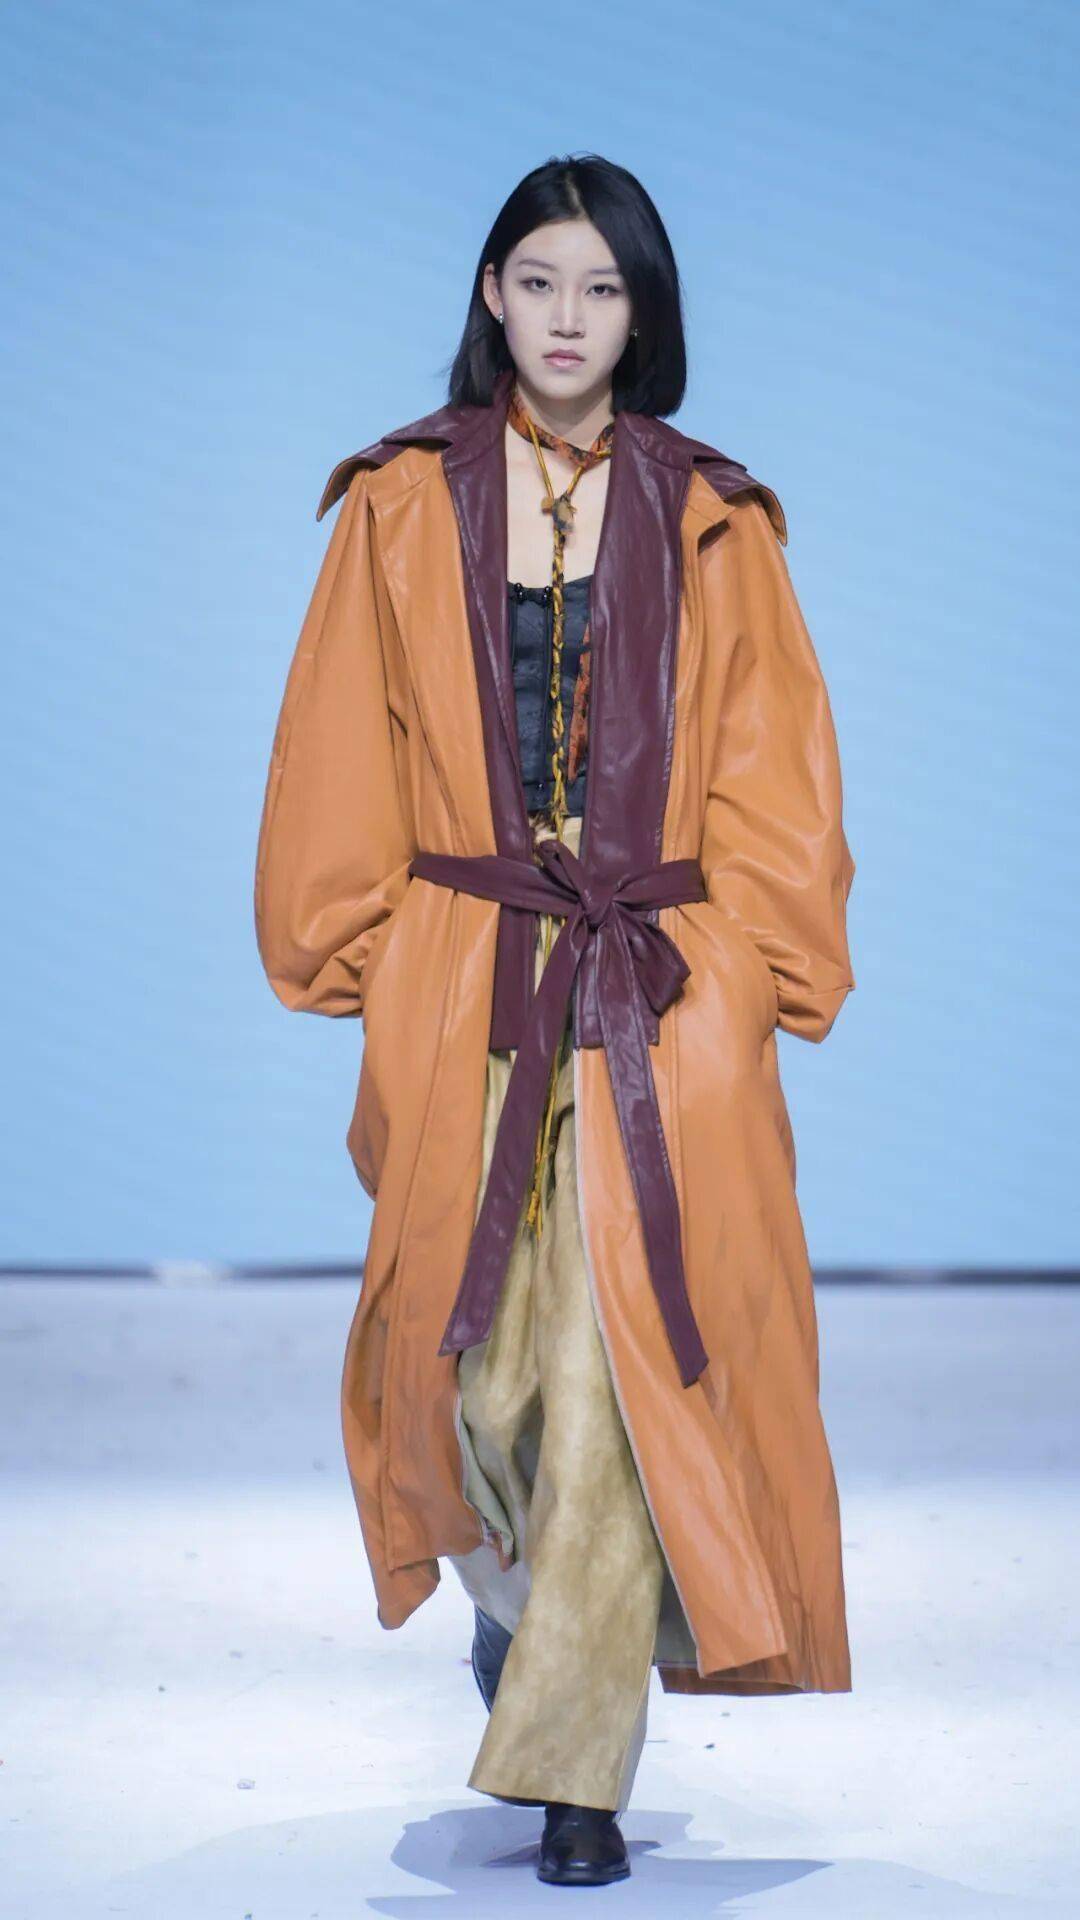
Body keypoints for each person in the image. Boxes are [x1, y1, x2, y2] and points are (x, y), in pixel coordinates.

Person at [253, 152, 857, 1888]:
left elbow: (775, 773)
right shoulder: (397, 505)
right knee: (479, 1372)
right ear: (493, 297)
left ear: (642, 313)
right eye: (540, 282)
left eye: (603, 287)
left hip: (656, 987)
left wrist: (750, 984)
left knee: (615, 1361)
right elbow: (340, 744)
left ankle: (577, 1770)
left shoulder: (715, 516)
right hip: (467, 969)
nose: (570, 317)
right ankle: (514, 1609)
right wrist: (368, 958)